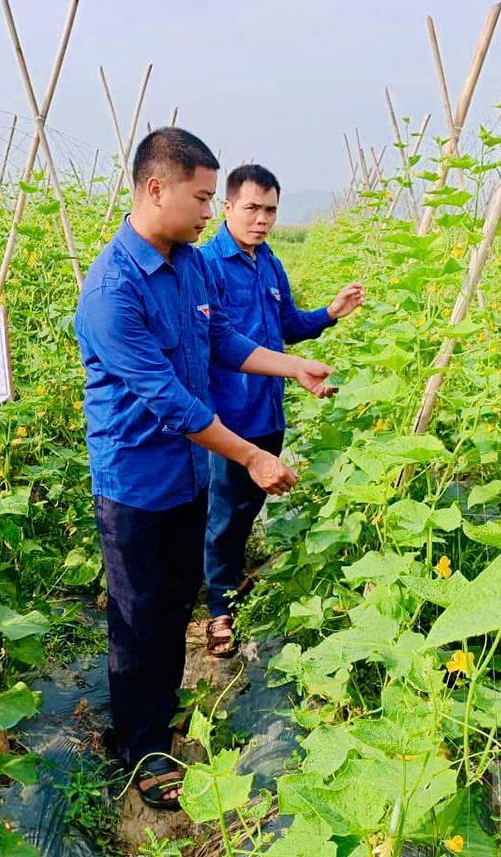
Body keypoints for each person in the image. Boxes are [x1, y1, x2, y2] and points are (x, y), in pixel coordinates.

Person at [73, 129, 338, 812]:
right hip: (136, 484)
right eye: (200, 198)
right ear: (155, 188)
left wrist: (292, 365)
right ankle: (142, 748)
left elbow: (219, 339)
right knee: (138, 617)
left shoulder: (188, 264)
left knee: (173, 601)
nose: (207, 212)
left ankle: (158, 710)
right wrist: (250, 454)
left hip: (189, 474)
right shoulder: (112, 289)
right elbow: (169, 398)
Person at [199, 164, 364, 658]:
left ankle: (228, 578)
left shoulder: (269, 263)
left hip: (269, 410)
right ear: (227, 207)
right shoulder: (207, 266)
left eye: (270, 210)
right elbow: (215, 344)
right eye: (252, 208)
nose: (262, 219)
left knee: (247, 507)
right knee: (224, 515)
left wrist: (329, 314)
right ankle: (218, 609)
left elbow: (288, 324)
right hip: (228, 418)